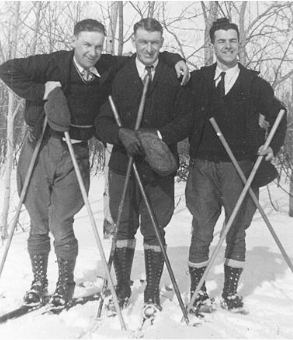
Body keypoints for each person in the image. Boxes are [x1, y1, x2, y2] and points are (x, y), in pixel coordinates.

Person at [0, 18, 189, 309]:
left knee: (61, 221)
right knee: (38, 220)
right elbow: (5, 69)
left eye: (98, 46)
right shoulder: (53, 64)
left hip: (77, 151)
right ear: (74, 41)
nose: (92, 51)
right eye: (86, 44)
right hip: (41, 145)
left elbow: (149, 54)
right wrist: (42, 91)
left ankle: (64, 282)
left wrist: (176, 58)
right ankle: (38, 282)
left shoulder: (110, 66)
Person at [184, 18, 287, 314]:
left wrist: (272, 146)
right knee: (201, 227)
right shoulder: (199, 79)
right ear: (212, 45)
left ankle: (230, 292)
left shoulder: (255, 83)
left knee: (237, 230)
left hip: (239, 167)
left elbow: (280, 114)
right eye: (221, 41)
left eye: (232, 40)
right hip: (203, 165)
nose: (227, 46)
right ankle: (198, 290)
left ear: (239, 43)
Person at [95, 18, 191, 317]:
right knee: (123, 227)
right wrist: (119, 134)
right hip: (124, 164)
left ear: (161, 43)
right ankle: (122, 288)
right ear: (133, 42)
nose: (149, 48)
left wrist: (157, 138)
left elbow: (187, 119)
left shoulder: (173, 75)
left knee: (155, 227)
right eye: (142, 42)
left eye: (154, 42)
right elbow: (101, 121)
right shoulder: (117, 74)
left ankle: (151, 291)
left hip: (158, 166)